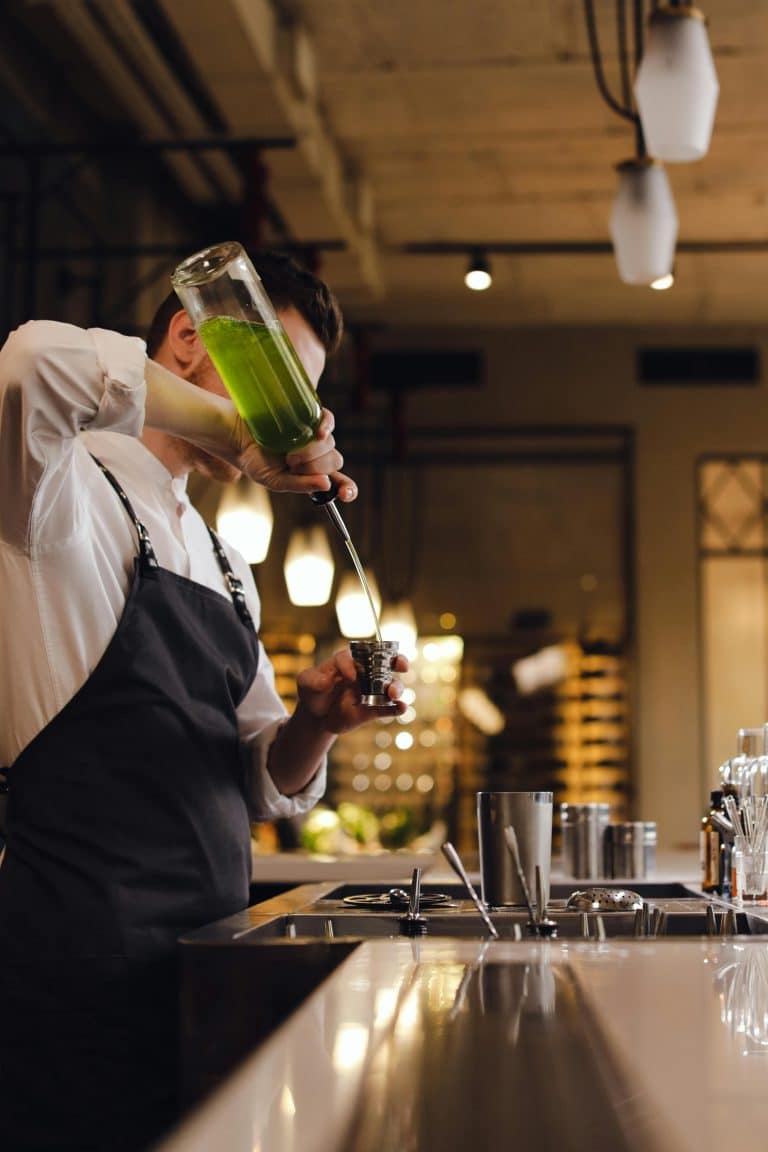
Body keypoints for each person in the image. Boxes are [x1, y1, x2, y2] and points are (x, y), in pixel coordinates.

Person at [0, 250, 407, 1152]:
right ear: (189, 339)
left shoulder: (227, 564)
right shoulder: (57, 492)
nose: (292, 425)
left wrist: (315, 723)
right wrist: (235, 426)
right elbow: (31, 362)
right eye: (276, 386)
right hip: (73, 978)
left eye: (303, 403)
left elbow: (261, 783)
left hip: (205, 979)